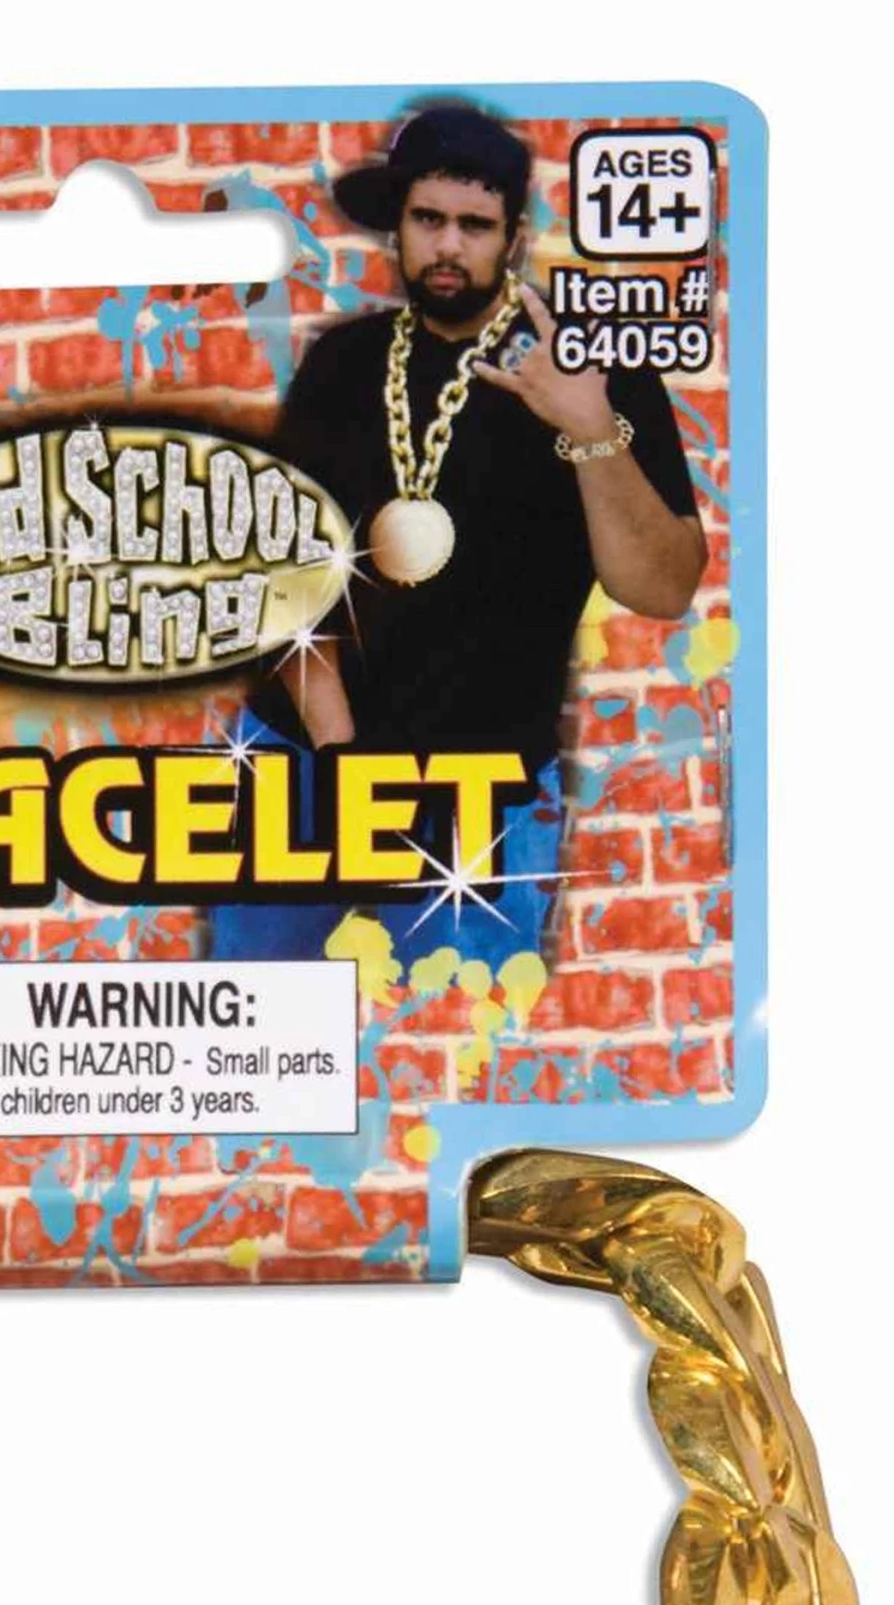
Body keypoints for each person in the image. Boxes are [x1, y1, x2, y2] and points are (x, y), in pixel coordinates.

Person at [213, 104, 706, 965]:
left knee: (464, 1030)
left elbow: (661, 588)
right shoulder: (342, 363)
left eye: (475, 225)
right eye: (428, 219)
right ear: (398, 226)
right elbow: (282, 576)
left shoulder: (598, 371)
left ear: (512, 237)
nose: (448, 245)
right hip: (307, 763)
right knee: (267, 1021)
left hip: (485, 795)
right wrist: (344, 759)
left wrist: (590, 429)